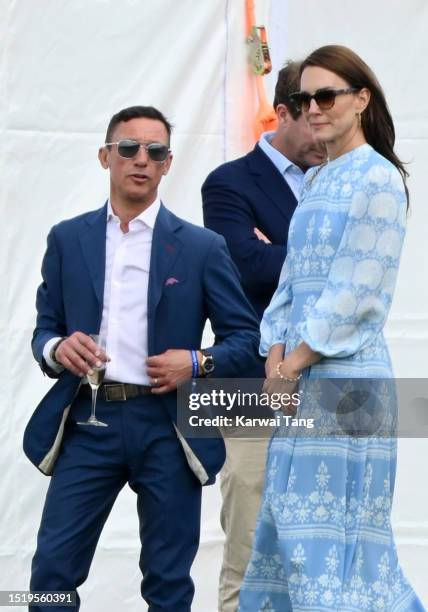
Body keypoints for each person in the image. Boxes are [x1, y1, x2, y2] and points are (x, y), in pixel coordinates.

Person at [23, 105, 260, 612]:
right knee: (50, 574)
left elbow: (246, 339)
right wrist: (57, 348)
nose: (141, 160)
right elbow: (45, 329)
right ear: (105, 156)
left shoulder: (201, 247)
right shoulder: (68, 239)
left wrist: (195, 362)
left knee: (169, 582)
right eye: (128, 148)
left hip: (169, 427)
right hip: (90, 419)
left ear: (168, 164)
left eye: (155, 152)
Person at [239, 45, 425, 611]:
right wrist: (274, 352)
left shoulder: (379, 178)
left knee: (337, 546)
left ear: (361, 99)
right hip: (296, 381)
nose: (313, 108)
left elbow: (356, 291)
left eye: (327, 95)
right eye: (303, 98)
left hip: (347, 384)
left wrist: (291, 363)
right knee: (287, 537)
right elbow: (291, 282)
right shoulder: (319, 180)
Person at [202, 61, 326, 612]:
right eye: (314, 120)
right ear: (284, 112)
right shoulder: (229, 181)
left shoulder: (342, 177)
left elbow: (362, 274)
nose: (326, 134)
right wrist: (320, 262)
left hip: (328, 377)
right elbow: (245, 265)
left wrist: (280, 253)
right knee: (250, 536)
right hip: (252, 379)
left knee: (320, 543)